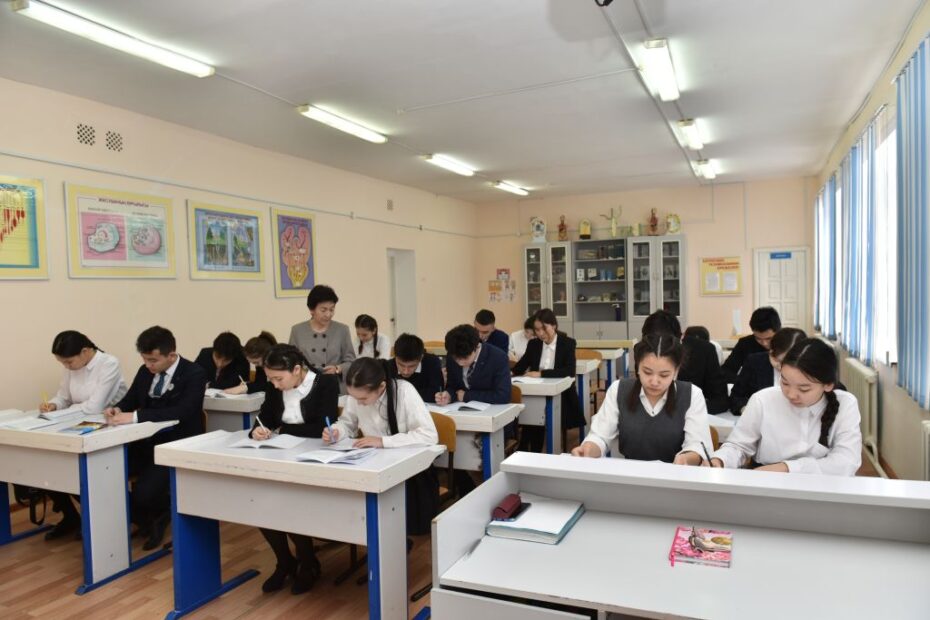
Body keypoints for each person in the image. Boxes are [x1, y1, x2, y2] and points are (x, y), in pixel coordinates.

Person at [104, 326, 208, 550]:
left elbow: (183, 411)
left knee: (144, 493)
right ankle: (145, 519)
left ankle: (161, 513)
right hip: (144, 442)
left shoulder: (194, 373)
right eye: (144, 360)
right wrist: (117, 408)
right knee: (103, 477)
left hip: (176, 444)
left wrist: (135, 416)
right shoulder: (145, 372)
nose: (148, 365)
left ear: (171, 355)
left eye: (153, 360)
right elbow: (131, 399)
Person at [247, 344, 339, 594]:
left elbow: (322, 426)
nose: (275, 384)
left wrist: (284, 429)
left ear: (297, 370)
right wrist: (258, 430)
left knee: (291, 505)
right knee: (262, 503)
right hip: (280, 455)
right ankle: (285, 561)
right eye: (271, 379)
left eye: (279, 379)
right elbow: (266, 416)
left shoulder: (325, 383)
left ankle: (308, 563)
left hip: (315, 457)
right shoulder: (275, 385)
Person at [710, 338, 862, 476]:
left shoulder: (845, 404)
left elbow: (846, 461)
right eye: (785, 382)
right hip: (766, 481)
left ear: (828, 385)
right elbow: (738, 446)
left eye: (804, 389)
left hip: (823, 485)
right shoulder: (763, 399)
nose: (791, 394)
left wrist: (786, 468)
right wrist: (720, 460)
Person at [325, 358, 439, 535]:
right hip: (372, 463)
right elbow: (348, 423)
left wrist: (383, 441)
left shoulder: (404, 391)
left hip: (408, 471)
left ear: (381, 387)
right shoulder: (357, 396)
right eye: (354, 398)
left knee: (400, 525)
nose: (359, 403)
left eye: (363, 398)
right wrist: (336, 431)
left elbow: (429, 435)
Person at [571, 334, 713, 463]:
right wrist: (588, 449)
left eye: (664, 375)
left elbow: (697, 445)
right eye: (647, 372)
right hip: (630, 475)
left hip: (675, 476)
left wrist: (686, 458)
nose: (654, 381)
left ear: (676, 371)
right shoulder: (619, 389)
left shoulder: (692, 394)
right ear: (638, 366)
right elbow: (601, 436)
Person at [41, 330, 128, 540]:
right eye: (62, 363)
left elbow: (94, 407)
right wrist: (54, 405)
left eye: (69, 362)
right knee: (49, 465)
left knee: (76, 471)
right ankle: (71, 516)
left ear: (85, 351)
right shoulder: (71, 367)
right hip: (76, 424)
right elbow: (64, 397)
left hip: (107, 427)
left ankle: (101, 519)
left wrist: (65, 411)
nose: (67, 366)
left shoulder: (108, 363)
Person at [512, 309, 583, 452]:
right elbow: (520, 367)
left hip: (561, 394)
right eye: (537, 330)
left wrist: (541, 374)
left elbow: (569, 371)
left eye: (544, 329)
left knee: (535, 413)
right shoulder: (534, 344)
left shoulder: (567, 343)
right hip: (536, 392)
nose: (540, 333)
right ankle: (529, 449)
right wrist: (508, 372)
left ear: (554, 326)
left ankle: (528, 448)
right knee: (531, 409)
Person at [643, 311, 729, 414]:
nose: (659, 352)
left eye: (666, 347)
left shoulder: (704, 351)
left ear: (680, 338)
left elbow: (720, 400)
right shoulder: (643, 352)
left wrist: (686, 411)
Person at [288, 285, 355, 390]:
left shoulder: (342, 330)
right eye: (323, 310)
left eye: (332, 309)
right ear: (311, 310)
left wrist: (337, 368)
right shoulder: (297, 330)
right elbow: (291, 361)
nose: (328, 314)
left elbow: (351, 361)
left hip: (335, 386)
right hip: (306, 386)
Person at [729, 327, 806, 414]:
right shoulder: (754, 362)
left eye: (786, 363)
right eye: (776, 360)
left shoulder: (810, 369)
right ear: (770, 351)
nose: (780, 366)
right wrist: (746, 409)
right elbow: (736, 396)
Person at [438, 324, 511, 406]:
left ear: (476, 347)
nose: (460, 363)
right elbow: (452, 386)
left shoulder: (498, 358)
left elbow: (503, 396)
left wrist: (467, 396)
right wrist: (449, 395)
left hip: (491, 410)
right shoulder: (452, 354)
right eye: (456, 358)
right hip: (459, 409)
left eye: (465, 358)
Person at [720, 306, 782, 382]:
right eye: (758, 338)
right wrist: (745, 382)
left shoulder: (789, 343)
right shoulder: (745, 343)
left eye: (769, 338)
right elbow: (726, 370)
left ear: (778, 331)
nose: (764, 343)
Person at [390, 333, 444, 403]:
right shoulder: (388, 366)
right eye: (401, 365)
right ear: (395, 357)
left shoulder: (432, 362)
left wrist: (401, 394)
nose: (406, 371)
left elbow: (435, 393)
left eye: (411, 366)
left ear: (421, 358)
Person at [223, 331, 277, 395]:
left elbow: (273, 386)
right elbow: (260, 383)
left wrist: (247, 387)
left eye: (256, 362)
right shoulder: (260, 367)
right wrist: (247, 384)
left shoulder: (278, 365)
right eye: (253, 363)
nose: (256, 365)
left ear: (266, 355)